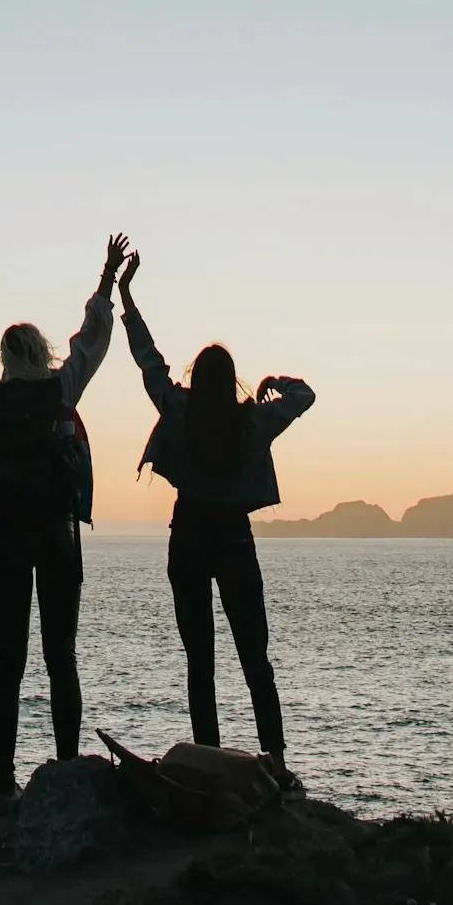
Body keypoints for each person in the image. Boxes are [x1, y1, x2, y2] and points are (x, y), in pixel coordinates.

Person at [0, 235, 129, 812]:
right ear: (43, 352)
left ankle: (4, 781)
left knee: (8, 660)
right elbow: (93, 340)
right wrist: (106, 275)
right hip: (59, 539)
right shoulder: (63, 390)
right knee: (62, 656)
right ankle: (62, 769)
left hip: (6, 542)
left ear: (7, 359)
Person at [116, 247, 314, 792]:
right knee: (255, 656)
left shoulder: (177, 409)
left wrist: (127, 295)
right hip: (234, 538)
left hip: (188, 537)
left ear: (195, 377)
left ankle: (206, 761)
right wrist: (277, 379)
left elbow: (147, 359)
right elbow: (306, 396)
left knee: (198, 658)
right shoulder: (253, 421)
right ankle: (274, 760)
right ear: (231, 381)